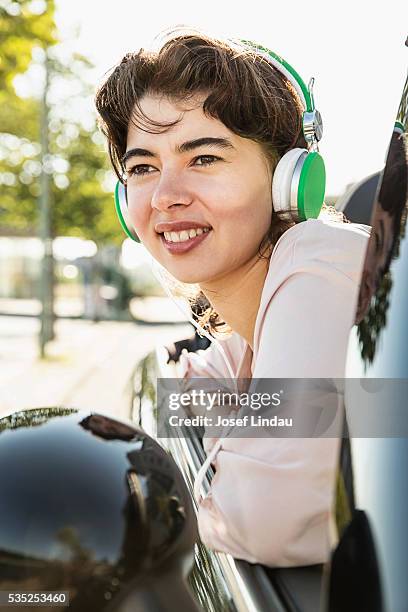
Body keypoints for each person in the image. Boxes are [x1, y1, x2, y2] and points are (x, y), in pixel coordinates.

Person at [95, 31, 370, 567]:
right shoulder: (251, 329)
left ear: (289, 181)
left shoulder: (319, 263)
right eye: (143, 167)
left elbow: (269, 519)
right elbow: (189, 389)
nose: (167, 196)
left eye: (203, 158)